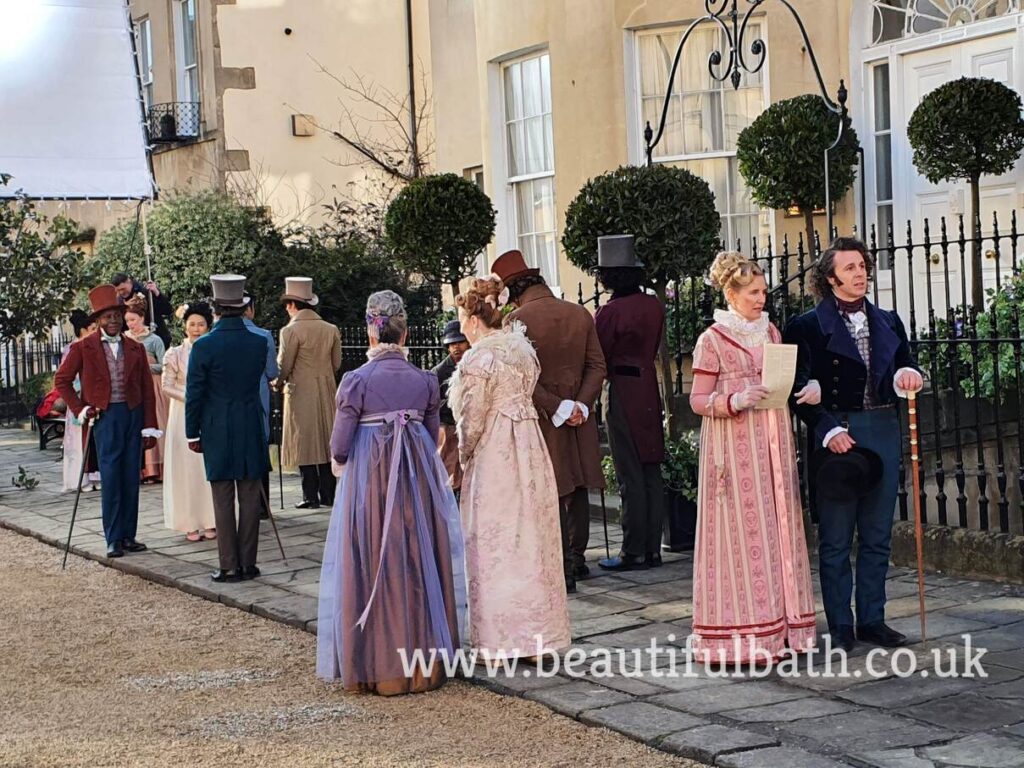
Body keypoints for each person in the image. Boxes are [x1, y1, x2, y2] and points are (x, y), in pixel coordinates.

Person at [317, 290, 466, 695]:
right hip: (416, 479)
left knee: (372, 559)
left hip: (372, 480)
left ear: (370, 333)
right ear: (406, 334)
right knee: (418, 559)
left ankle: (380, 667)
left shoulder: (356, 381)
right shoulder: (424, 380)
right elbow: (435, 432)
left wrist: (348, 459)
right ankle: (424, 667)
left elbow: (340, 445)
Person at [784, 237, 924, 652]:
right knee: (836, 536)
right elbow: (794, 387)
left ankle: (873, 620)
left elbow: (906, 364)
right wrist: (827, 429)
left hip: (882, 426)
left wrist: (909, 377)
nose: (859, 273)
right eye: (849, 268)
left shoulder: (888, 320)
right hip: (837, 433)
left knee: (879, 533)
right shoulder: (805, 326)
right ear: (830, 278)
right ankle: (841, 627)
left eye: (862, 265)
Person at [688, 251, 820, 663]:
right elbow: (696, 400)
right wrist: (733, 398)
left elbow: (781, 379)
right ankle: (739, 631)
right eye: (753, 292)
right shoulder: (712, 339)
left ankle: (785, 628)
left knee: (777, 524)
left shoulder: (772, 332)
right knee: (739, 534)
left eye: (763, 291)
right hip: (732, 444)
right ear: (731, 293)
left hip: (773, 440)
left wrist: (802, 386)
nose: (762, 298)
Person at [449, 278, 570, 659]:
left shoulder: (478, 358)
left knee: (495, 539)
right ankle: (540, 636)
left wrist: (465, 455)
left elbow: (471, 419)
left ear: (471, 318)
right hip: (529, 447)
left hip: (497, 453)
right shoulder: (522, 352)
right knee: (533, 539)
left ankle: (503, 640)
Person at [492, 249, 606, 593]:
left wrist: (557, 407)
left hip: (543, 414)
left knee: (552, 485)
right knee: (579, 482)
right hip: (578, 414)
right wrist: (580, 406)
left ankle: (563, 566)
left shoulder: (515, 321)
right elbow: (597, 365)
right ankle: (578, 557)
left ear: (513, 290)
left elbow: (523, 378)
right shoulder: (579, 313)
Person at [54, 284, 159, 558]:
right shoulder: (83, 347)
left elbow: (147, 389)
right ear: (97, 320)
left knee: (130, 476)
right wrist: (81, 408)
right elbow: (62, 381)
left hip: (132, 415)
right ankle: (113, 538)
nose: (112, 321)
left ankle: (128, 535)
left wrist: (149, 424)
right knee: (111, 477)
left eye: (116, 316)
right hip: (105, 417)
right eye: (106, 317)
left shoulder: (135, 348)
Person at [186, 275, 270, 583]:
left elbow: (195, 392)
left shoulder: (204, 346)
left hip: (216, 427)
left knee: (222, 496)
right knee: (249, 494)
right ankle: (248, 563)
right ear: (243, 306)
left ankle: (228, 564)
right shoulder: (259, 342)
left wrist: (192, 432)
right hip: (249, 424)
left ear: (216, 308)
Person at [593, 236, 666, 572]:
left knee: (629, 471)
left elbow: (599, 356)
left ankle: (633, 549)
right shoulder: (653, 305)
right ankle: (652, 548)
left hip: (621, 388)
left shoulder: (608, 312)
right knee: (650, 466)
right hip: (648, 385)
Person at [277, 277, 342, 509]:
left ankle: (309, 495)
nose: (286, 309)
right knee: (326, 440)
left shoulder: (290, 331)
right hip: (325, 388)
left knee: (303, 441)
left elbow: (284, 365)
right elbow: (336, 363)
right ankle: (329, 493)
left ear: (293, 304)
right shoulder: (330, 329)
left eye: (287, 303)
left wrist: (278, 382)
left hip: (299, 389)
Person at [162, 302, 217, 542]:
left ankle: (211, 519)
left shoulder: (214, 350)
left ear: (209, 326)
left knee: (207, 467)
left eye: (201, 324)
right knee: (185, 468)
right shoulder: (174, 353)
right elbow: (167, 385)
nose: (196, 328)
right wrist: (192, 397)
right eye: (192, 324)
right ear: (185, 326)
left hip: (209, 411)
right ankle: (189, 522)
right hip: (182, 413)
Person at [243, 293, 280, 518]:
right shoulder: (263, 335)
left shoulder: (214, 337)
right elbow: (272, 372)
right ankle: (262, 505)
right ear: (251, 309)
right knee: (260, 448)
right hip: (258, 397)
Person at [125, 295, 168, 483]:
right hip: (132, 386)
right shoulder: (124, 339)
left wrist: (147, 367)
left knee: (154, 420)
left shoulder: (154, 340)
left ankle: (155, 468)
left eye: (133, 320)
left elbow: (164, 364)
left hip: (152, 384)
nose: (130, 324)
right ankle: (138, 468)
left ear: (142, 318)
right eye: (127, 320)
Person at [61, 309, 101, 493]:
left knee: (91, 439)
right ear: (83, 330)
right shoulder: (73, 348)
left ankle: (94, 475)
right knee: (77, 440)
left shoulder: (96, 346)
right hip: (78, 398)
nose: (96, 331)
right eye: (93, 328)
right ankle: (80, 479)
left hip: (92, 398)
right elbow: (65, 377)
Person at [431, 319, 471, 497]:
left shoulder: (476, 364)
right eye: (451, 344)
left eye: (459, 342)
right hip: (449, 430)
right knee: (450, 481)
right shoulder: (439, 373)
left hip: (472, 429)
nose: (456, 348)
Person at [111, 272, 173, 348]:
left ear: (129, 282)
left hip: (157, 337)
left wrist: (157, 293)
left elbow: (167, 310)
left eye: (123, 289)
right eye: (118, 290)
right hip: (134, 343)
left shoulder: (146, 292)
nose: (121, 292)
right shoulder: (119, 301)